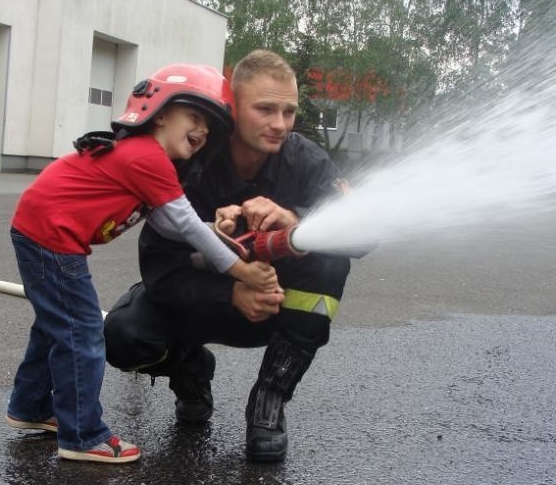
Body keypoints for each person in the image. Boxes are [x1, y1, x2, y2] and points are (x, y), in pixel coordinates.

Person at [5, 63, 277, 464]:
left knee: (55, 328)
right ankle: (82, 436)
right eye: (195, 116)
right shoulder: (146, 156)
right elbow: (183, 223)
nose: (202, 131)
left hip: (41, 230)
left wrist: (217, 234)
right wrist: (241, 270)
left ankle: (29, 407)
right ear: (161, 113)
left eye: (209, 127)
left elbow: (171, 225)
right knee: (81, 334)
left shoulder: (145, 159)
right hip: (51, 237)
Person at [104, 50, 364, 462]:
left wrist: (295, 220)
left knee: (331, 258)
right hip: (199, 305)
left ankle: (268, 403)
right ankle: (189, 370)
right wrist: (229, 294)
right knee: (124, 337)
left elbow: (363, 236)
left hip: (276, 312)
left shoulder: (305, 160)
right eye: (265, 109)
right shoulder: (191, 159)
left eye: (289, 111)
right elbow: (159, 269)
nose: (279, 124)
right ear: (233, 108)